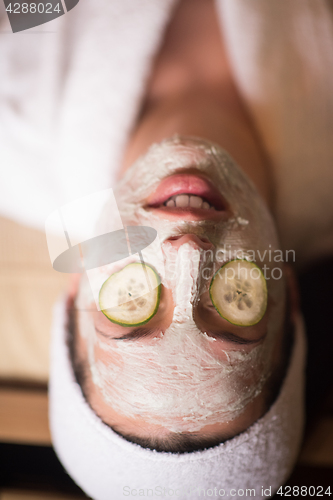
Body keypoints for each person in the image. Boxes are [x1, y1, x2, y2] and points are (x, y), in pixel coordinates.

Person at [1, 0, 332, 498]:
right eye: (235, 306)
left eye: (132, 304)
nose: (187, 251)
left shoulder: (13, 135)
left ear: (77, 286)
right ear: (291, 304)